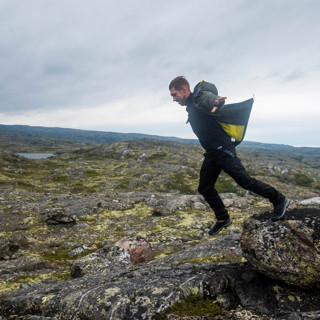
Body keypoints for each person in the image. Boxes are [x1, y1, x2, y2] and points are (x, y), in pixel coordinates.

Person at [169, 76, 290, 236]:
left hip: (223, 149)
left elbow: (209, 99)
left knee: (245, 181)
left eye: (174, 94)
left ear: (184, 90)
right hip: (212, 153)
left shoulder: (198, 98)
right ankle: (223, 218)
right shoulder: (191, 106)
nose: (173, 99)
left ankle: (280, 200)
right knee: (204, 187)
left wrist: (216, 102)